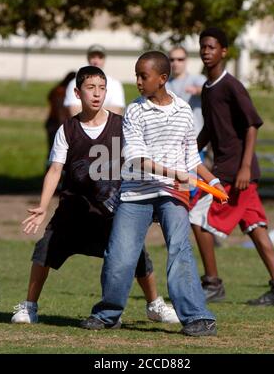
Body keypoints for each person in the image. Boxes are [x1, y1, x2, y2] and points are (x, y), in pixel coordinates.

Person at [11, 66, 179, 325]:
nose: (97, 94)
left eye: (101, 88)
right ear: (78, 93)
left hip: (112, 211)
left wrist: (158, 190)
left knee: (137, 257)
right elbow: (55, 170)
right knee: (44, 252)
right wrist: (43, 207)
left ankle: (154, 305)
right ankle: (29, 306)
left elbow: (140, 162)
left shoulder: (122, 126)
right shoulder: (67, 129)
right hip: (73, 211)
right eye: (90, 88)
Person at [80, 51, 228, 337]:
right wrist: (175, 174)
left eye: (142, 76)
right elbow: (136, 159)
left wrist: (215, 181)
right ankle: (108, 314)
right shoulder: (135, 111)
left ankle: (198, 317)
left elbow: (192, 160)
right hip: (136, 192)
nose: (137, 81)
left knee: (180, 250)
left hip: (174, 194)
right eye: (136, 75)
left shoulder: (184, 111)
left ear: (162, 79)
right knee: (120, 254)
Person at [189, 27, 274, 305]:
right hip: (230, 168)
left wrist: (245, 167)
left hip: (235, 172)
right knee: (256, 227)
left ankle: (213, 283)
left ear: (224, 51)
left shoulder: (231, 85)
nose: (206, 52)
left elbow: (252, 124)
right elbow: (210, 127)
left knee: (198, 219)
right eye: (203, 47)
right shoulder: (208, 88)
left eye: (212, 47)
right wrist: (188, 151)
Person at [64, 44, 125, 116]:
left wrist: (86, 110)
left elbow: (116, 111)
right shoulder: (74, 83)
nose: (96, 61)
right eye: (93, 57)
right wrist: (104, 110)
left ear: (104, 60)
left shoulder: (115, 84)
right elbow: (74, 111)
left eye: (100, 57)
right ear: (88, 58)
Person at [166, 46, 206, 137]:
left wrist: (197, 90)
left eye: (180, 59)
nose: (175, 63)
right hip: (170, 141)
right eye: (172, 59)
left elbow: (208, 90)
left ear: (186, 60)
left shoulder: (197, 79)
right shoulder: (164, 84)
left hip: (195, 139)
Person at [45, 71, 76, 156]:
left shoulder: (57, 89)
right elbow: (60, 110)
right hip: (57, 122)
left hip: (52, 121)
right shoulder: (62, 92)